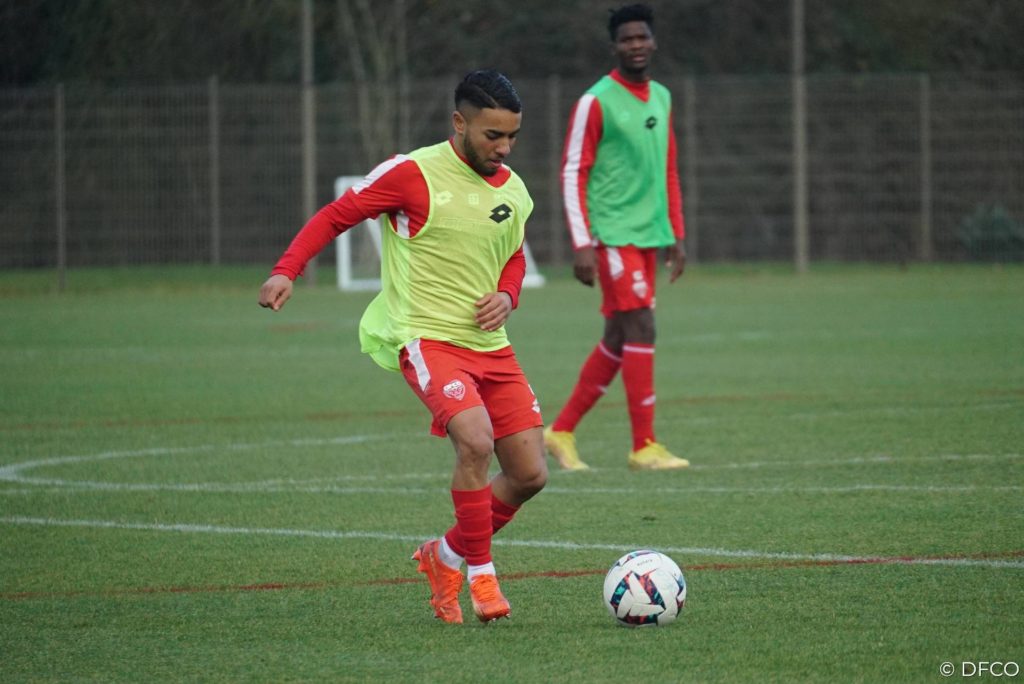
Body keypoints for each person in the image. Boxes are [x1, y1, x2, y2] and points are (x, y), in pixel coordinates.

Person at [258, 70, 547, 624]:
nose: (504, 148)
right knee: (475, 441)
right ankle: (482, 580)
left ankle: (444, 556)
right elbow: (337, 214)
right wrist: (286, 270)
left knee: (530, 474)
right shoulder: (412, 174)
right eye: (493, 136)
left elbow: (515, 254)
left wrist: (509, 295)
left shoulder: (512, 187)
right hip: (427, 338)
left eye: (512, 136)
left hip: (492, 346)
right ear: (459, 123)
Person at [544, 4, 690, 471]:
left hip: (648, 236)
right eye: (626, 39)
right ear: (614, 47)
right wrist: (583, 242)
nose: (636, 45)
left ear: (654, 41)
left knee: (619, 334)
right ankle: (643, 445)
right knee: (642, 326)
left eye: (642, 37)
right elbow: (572, 172)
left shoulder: (663, 97)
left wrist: (676, 234)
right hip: (610, 235)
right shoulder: (595, 101)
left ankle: (560, 431)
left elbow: (667, 169)